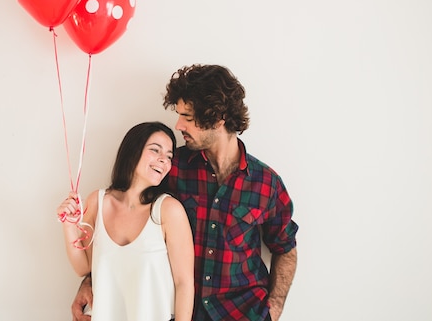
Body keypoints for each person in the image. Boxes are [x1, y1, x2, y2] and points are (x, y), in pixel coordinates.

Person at [72, 64, 299, 321]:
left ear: (218, 118)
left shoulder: (266, 183)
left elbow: (285, 248)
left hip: (244, 314)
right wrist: (91, 281)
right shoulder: (171, 167)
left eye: (188, 118)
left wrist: (275, 306)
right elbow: (125, 219)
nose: (179, 125)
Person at [58, 121, 194, 321]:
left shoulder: (168, 210)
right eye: (155, 150)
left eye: (169, 156)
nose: (163, 160)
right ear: (132, 151)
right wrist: (68, 226)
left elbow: (184, 283)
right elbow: (83, 267)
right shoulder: (97, 201)